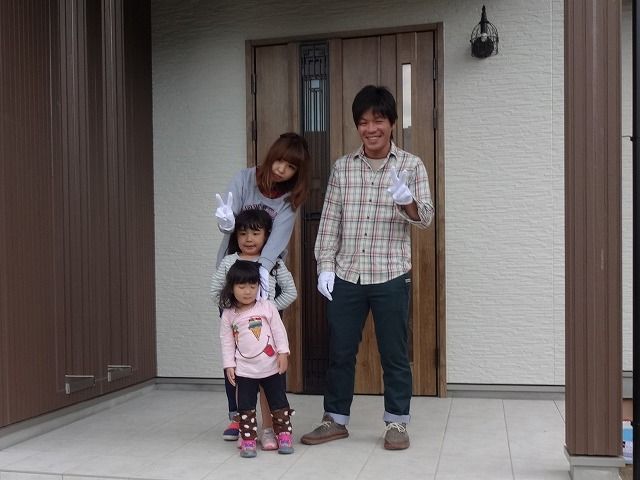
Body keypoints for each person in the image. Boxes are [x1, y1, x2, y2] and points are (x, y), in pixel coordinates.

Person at [300, 85, 434, 451]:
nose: (370, 128)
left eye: (378, 120)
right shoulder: (343, 167)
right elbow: (330, 221)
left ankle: (397, 423)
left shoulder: (411, 165)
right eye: (363, 122)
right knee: (340, 351)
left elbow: (425, 218)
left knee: (394, 353)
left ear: (391, 123)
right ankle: (335, 419)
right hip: (347, 274)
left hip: (391, 272)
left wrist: (407, 202)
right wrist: (325, 266)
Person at [213, 132, 309, 446]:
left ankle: (273, 420)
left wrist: (263, 283)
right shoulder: (244, 179)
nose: (282, 170)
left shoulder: (288, 200)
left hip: (265, 281)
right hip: (235, 275)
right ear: (271, 155)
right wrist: (226, 222)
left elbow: (277, 240)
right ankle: (237, 416)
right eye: (280, 160)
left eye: (291, 167)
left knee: (268, 348)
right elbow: (229, 222)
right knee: (234, 349)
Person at [210, 208, 297, 450]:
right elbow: (215, 292)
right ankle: (242, 425)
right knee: (240, 380)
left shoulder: (274, 262)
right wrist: (237, 311)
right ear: (235, 236)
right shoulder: (229, 262)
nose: (249, 239)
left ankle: (269, 429)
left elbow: (291, 292)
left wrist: (266, 309)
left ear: (267, 235)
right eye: (243, 233)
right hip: (239, 333)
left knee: (270, 383)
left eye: (256, 233)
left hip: (267, 335)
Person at [219, 260, 295, 458]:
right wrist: (229, 364)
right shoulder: (229, 314)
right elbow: (227, 341)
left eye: (253, 286)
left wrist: (283, 353)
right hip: (245, 370)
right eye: (241, 286)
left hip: (271, 367)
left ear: (259, 286)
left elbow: (279, 331)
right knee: (246, 406)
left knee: (278, 402)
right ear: (231, 287)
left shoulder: (267, 307)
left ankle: (284, 435)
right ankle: (248, 439)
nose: (247, 292)